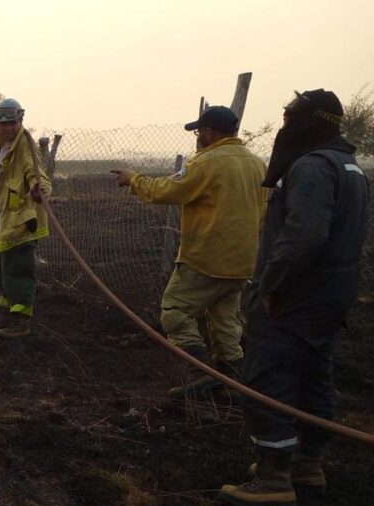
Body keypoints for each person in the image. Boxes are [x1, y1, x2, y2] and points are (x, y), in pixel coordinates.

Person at [218, 89, 370, 506]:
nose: (283, 126)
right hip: (331, 295)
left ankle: (273, 478)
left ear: (307, 123)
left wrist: (271, 285)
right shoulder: (349, 165)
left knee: (269, 375)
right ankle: (308, 464)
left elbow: (303, 237)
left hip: (296, 295)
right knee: (313, 374)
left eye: (289, 118)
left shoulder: (311, 167)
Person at [113, 105, 267, 397]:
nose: (198, 137)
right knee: (224, 323)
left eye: (200, 131)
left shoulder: (206, 163)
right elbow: (262, 211)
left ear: (209, 132)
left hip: (206, 257)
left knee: (174, 311)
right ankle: (233, 385)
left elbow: (167, 190)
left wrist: (133, 179)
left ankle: (206, 373)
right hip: (242, 261)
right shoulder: (257, 164)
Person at [0, 98, 52, 339]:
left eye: (12, 122)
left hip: (20, 222)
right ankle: (6, 313)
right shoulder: (3, 145)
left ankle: (20, 322)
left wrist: (38, 188)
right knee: (4, 272)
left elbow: (36, 172)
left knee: (19, 271)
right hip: (3, 220)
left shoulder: (24, 146)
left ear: (20, 121)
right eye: (3, 123)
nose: (8, 127)